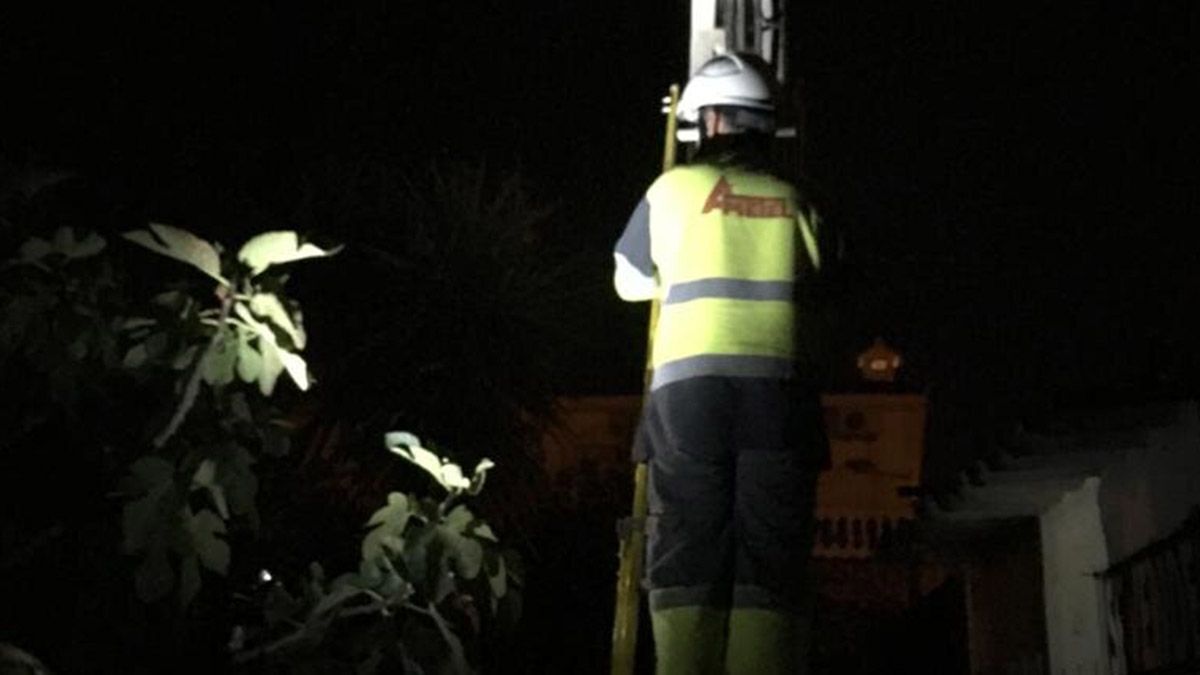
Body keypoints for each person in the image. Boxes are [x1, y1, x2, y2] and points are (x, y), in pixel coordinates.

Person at [613, 52, 830, 675]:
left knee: (687, 543)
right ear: (766, 126)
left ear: (707, 123)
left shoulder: (669, 191)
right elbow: (836, 282)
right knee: (769, 556)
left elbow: (628, 283)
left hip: (688, 401)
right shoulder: (798, 199)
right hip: (779, 400)